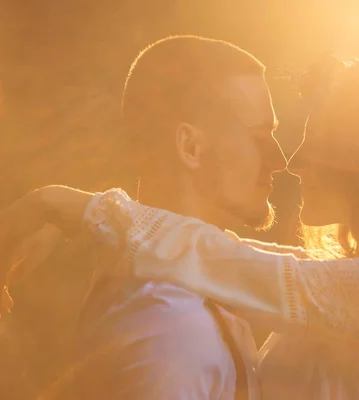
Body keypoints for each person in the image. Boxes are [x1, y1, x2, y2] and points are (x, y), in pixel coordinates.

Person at [1, 54, 359, 399]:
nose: (294, 166)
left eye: (321, 153)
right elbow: (229, 254)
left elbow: (222, 261)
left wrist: (61, 204)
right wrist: (84, 223)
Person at [1, 35, 288, 400]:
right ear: (190, 148)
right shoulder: (170, 330)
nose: (280, 160)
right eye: (259, 135)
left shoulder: (186, 296)